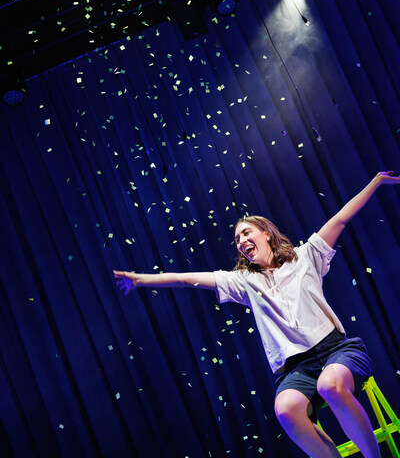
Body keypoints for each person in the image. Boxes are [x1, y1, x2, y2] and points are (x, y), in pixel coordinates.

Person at [114, 171, 400, 458]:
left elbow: (340, 219)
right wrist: (139, 280)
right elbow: (188, 279)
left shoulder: (305, 256)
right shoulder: (243, 281)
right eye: (237, 239)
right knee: (286, 410)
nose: (241, 240)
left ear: (266, 233)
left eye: (246, 232)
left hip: (335, 350)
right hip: (297, 368)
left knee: (331, 385)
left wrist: (376, 182)